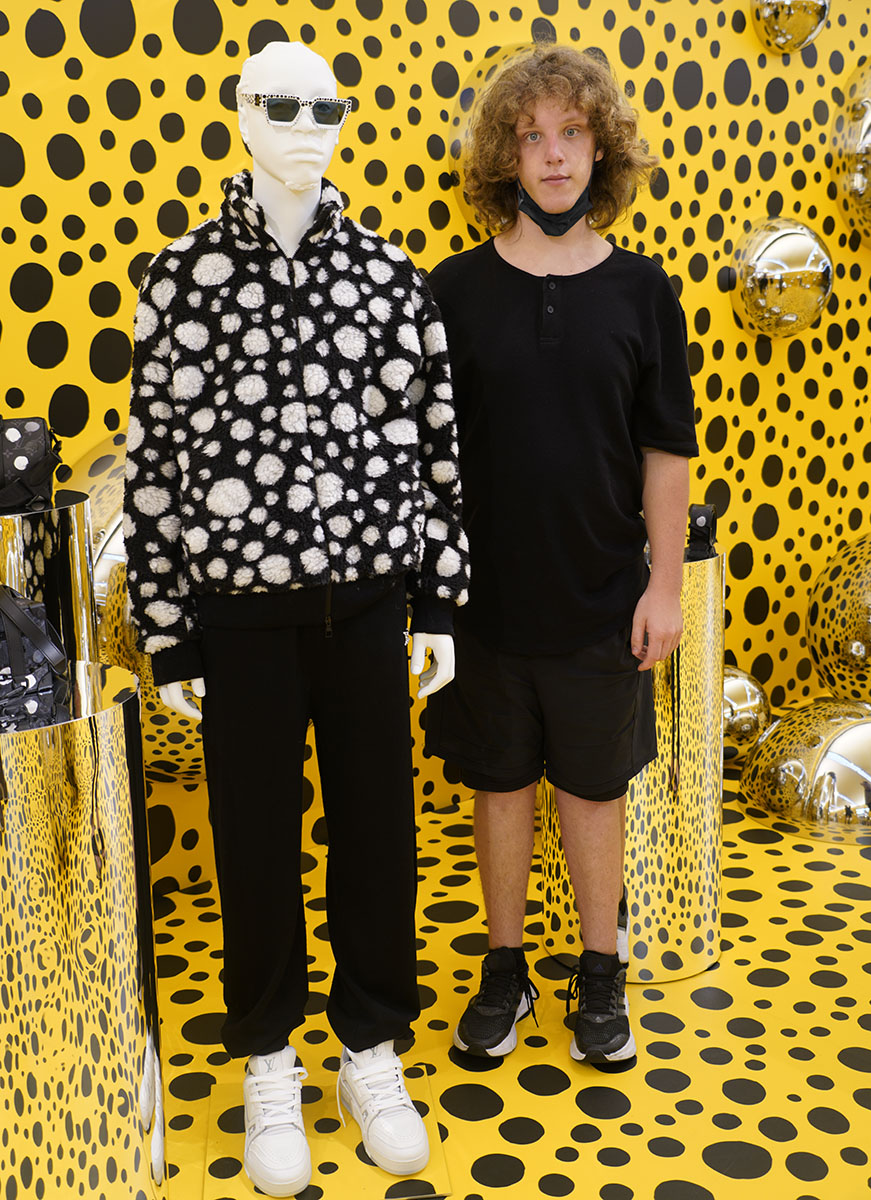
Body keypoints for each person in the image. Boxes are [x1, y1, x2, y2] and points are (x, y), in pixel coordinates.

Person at [124, 41, 468, 1197]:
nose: (306, 124)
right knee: (255, 842)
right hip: (241, 621)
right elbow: (157, 466)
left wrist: (437, 599)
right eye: (280, 104)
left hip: (371, 605)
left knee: (381, 833)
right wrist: (168, 629)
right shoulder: (179, 277)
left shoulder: (387, 272)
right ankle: (267, 1056)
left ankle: (367, 1050)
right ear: (238, 115)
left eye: (326, 105)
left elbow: (433, 448)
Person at [424, 44, 698, 1066]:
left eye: (568, 134)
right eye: (529, 136)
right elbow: (425, 453)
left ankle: (598, 972)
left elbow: (664, 449)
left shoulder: (641, 291)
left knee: (592, 790)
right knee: (498, 787)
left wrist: (662, 584)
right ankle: (503, 969)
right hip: (484, 605)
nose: (550, 155)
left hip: (600, 600)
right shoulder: (450, 288)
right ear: (503, 156)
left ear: (599, 150)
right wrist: (431, 604)